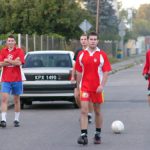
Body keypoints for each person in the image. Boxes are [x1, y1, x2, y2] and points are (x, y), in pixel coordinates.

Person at [75, 32, 111, 145]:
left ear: (97, 41)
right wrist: (77, 87)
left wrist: (102, 85)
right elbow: (79, 72)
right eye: (91, 39)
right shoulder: (81, 54)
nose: (93, 41)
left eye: (95, 39)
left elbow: (106, 72)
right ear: (88, 40)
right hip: (84, 87)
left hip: (97, 88)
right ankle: (83, 135)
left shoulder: (102, 55)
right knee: (84, 110)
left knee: (97, 111)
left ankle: (97, 134)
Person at [0, 35, 25, 128]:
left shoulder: (19, 51)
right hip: (5, 79)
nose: (10, 42)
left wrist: (7, 60)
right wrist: (13, 61)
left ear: (15, 42)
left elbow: (19, 63)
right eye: (9, 41)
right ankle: (3, 120)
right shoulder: (3, 51)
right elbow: (0, 64)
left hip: (17, 79)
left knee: (16, 100)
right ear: (6, 42)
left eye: (12, 41)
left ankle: (16, 119)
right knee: (4, 99)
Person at [71, 34, 93, 123]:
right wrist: (73, 76)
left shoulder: (91, 51)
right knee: (77, 96)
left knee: (89, 97)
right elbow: (75, 65)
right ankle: (84, 112)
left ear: (87, 40)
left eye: (85, 39)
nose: (83, 41)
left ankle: (89, 115)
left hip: (90, 78)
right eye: (81, 39)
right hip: (79, 77)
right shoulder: (78, 52)